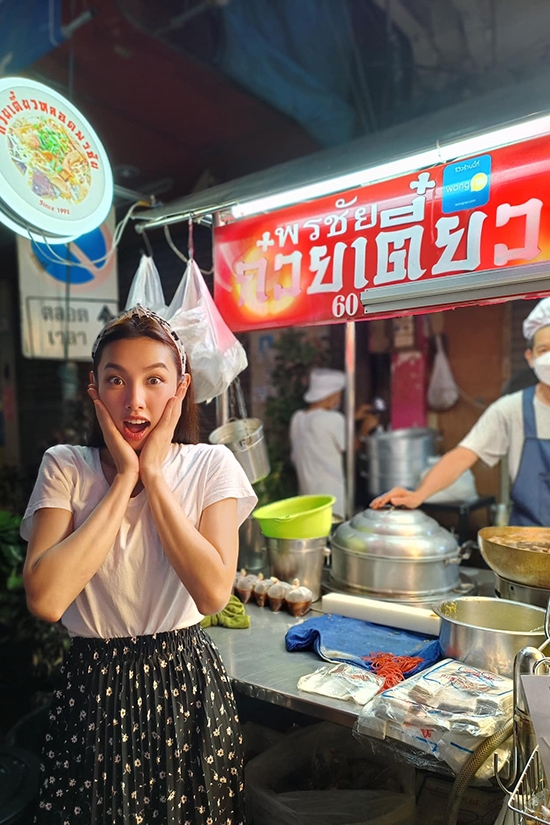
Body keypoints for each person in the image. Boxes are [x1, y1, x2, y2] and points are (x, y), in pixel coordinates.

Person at [21, 306, 257, 824]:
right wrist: (125, 480)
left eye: (154, 380)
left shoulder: (211, 465)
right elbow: (46, 598)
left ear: (180, 388)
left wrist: (153, 474)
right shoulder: (66, 466)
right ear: (94, 389)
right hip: (93, 690)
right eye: (116, 380)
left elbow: (212, 593)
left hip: (185, 685)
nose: (135, 400)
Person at [371, 297, 550, 527]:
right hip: (528, 539)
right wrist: (418, 494)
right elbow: (462, 456)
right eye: (544, 349)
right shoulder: (511, 409)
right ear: (530, 358)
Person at [289, 368, 379, 519]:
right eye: (338, 395)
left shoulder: (297, 419)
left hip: (306, 498)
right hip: (330, 499)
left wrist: (352, 419)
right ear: (331, 395)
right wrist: (364, 430)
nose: (339, 399)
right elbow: (353, 447)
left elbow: (323, 433)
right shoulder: (333, 419)